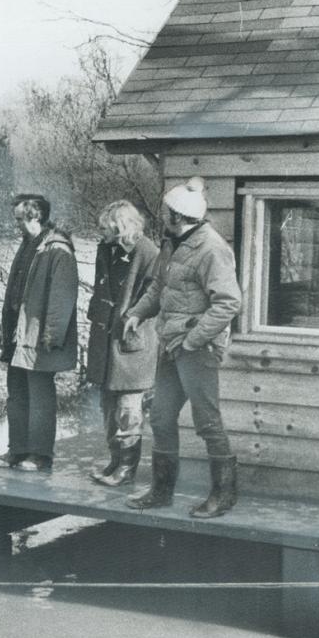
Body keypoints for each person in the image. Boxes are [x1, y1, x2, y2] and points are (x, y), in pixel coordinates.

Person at [121, 177, 242, 518]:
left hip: (196, 348)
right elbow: (160, 285)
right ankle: (161, 491)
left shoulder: (211, 249)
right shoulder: (172, 243)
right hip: (171, 344)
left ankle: (224, 494)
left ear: (176, 215)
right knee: (160, 417)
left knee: (207, 422)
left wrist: (192, 339)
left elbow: (228, 303)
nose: (162, 216)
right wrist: (137, 313)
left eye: (165, 212)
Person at [0, 193, 78, 472]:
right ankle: (16, 451)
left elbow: (62, 297)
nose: (16, 224)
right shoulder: (28, 244)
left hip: (40, 338)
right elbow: (15, 294)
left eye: (20, 219)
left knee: (40, 396)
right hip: (18, 337)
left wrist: (52, 335)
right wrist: (4, 330)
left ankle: (40, 455)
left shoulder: (58, 250)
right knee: (16, 394)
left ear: (36, 216)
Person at [86, 200, 159, 487]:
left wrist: (132, 318)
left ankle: (127, 470)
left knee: (129, 410)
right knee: (108, 408)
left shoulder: (149, 253)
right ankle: (115, 462)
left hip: (133, 344)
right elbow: (99, 289)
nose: (101, 231)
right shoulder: (105, 249)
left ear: (121, 226)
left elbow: (154, 298)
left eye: (106, 227)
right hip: (105, 339)